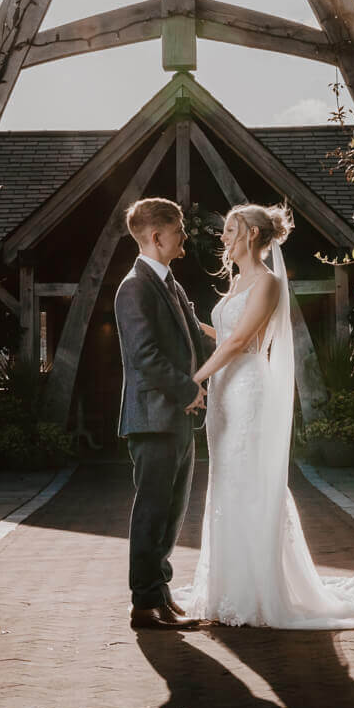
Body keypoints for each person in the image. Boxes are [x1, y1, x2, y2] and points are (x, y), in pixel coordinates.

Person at [176, 202, 354, 629]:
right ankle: (227, 585)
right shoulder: (236, 283)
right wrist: (195, 326)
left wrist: (194, 379)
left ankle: (258, 586)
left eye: (231, 231)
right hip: (224, 392)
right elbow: (226, 336)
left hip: (247, 386)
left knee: (249, 480)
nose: (224, 239)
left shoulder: (267, 283)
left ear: (252, 234)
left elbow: (240, 344)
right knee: (226, 480)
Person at [114, 197, 215, 631]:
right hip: (154, 417)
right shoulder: (133, 287)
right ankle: (144, 604)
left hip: (175, 418)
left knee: (173, 513)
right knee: (152, 512)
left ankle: (162, 592)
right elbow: (145, 356)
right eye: (178, 229)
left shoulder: (170, 284)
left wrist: (247, 340)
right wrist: (189, 389)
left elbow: (199, 340)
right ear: (157, 237)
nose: (184, 236)